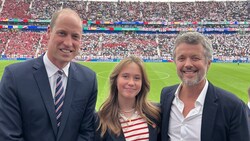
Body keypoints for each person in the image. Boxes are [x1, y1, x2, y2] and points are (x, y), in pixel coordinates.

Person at [0, 8, 97, 141]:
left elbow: (87, 132)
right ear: (48, 32)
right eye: (62, 33)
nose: (68, 43)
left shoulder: (89, 80)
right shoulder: (14, 77)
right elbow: (8, 135)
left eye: (75, 36)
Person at [160, 32, 250, 141]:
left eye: (195, 58)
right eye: (181, 58)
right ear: (175, 62)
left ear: (208, 63)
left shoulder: (233, 106)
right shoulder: (166, 95)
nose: (188, 64)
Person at [94, 56, 160, 141]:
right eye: (125, 76)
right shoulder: (100, 119)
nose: (131, 83)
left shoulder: (155, 113)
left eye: (137, 78)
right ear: (115, 80)